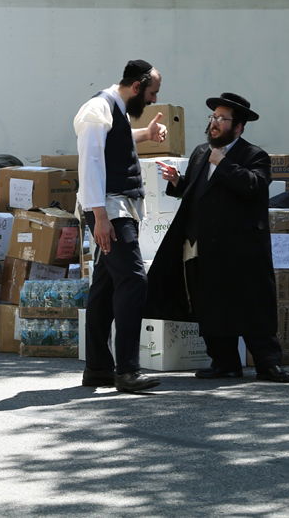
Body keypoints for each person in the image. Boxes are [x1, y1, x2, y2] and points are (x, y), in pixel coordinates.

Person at [147, 93, 289, 383]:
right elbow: (196, 191)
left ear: (238, 127)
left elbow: (254, 187)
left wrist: (224, 163)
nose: (214, 124)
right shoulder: (201, 152)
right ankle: (224, 363)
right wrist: (178, 182)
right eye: (213, 118)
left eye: (221, 119)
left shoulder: (254, 155)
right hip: (203, 245)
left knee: (252, 305)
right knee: (209, 305)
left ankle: (268, 364)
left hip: (241, 249)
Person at [74, 59, 167, 393]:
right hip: (110, 209)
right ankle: (126, 370)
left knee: (106, 288)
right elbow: (91, 164)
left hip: (115, 207)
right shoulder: (97, 109)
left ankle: (98, 368)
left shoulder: (113, 110)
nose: (154, 100)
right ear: (138, 86)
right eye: (153, 92)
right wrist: (100, 216)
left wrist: (146, 134)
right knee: (133, 281)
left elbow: (116, 141)